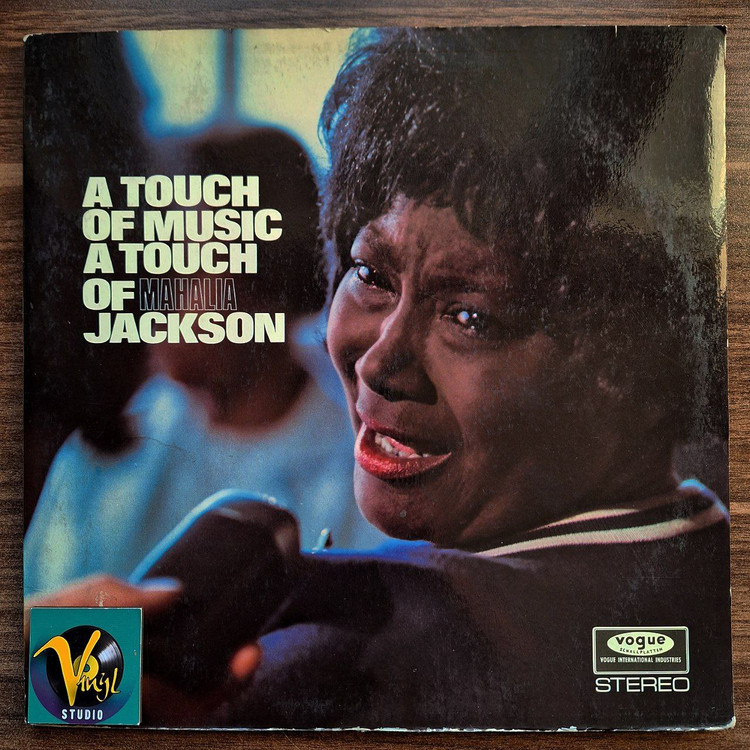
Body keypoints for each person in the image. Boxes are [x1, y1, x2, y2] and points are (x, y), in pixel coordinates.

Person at [25, 27, 733, 730]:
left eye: (469, 317)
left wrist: (44, 688)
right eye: (371, 275)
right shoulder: (707, 555)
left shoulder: (334, 656)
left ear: (629, 369)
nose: (376, 363)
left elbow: (60, 700)